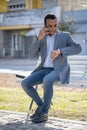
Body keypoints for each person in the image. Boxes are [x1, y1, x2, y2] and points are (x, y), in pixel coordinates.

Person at [21, 14, 82, 123]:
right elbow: (31, 54)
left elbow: (78, 48)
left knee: (47, 80)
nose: (53, 29)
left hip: (58, 70)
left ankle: (44, 113)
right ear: (45, 26)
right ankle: (41, 105)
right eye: (50, 26)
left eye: (55, 25)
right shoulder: (42, 37)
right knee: (25, 83)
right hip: (43, 69)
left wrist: (60, 51)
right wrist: (38, 39)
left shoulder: (65, 36)